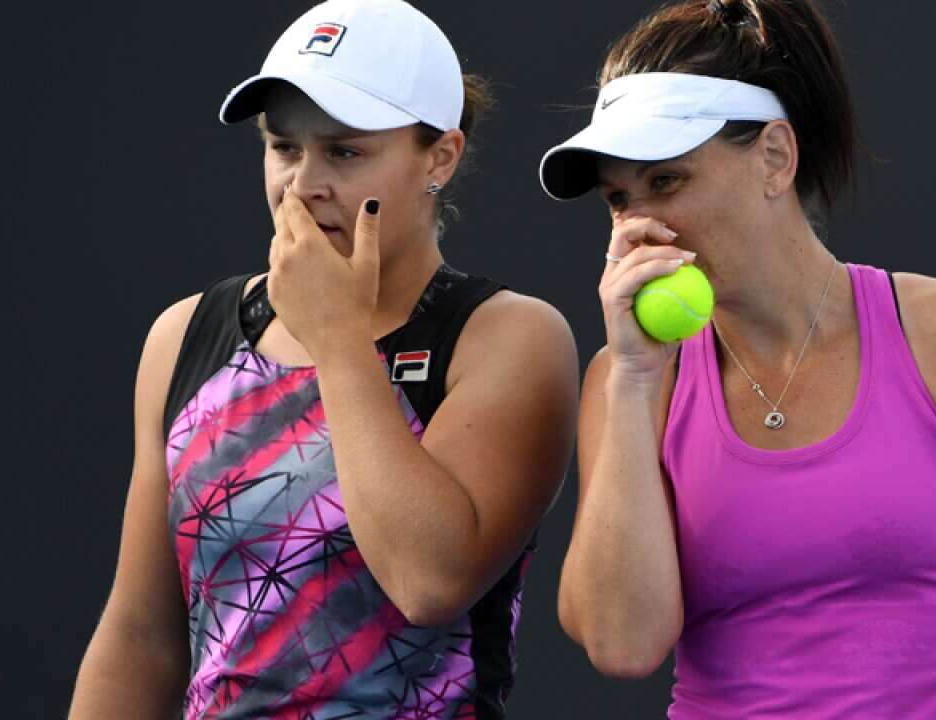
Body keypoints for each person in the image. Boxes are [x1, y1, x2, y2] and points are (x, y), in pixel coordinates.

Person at [540, 0, 936, 717]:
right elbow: (624, 646)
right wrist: (636, 378)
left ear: (775, 158)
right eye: (618, 199)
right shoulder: (628, 384)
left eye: (667, 182)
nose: (640, 228)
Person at [69, 1, 578, 717]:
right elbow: (141, 634)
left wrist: (338, 337)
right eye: (284, 147)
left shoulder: (508, 338)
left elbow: (428, 580)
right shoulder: (186, 335)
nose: (303, 185)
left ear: (440, 159)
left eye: (344, 152)